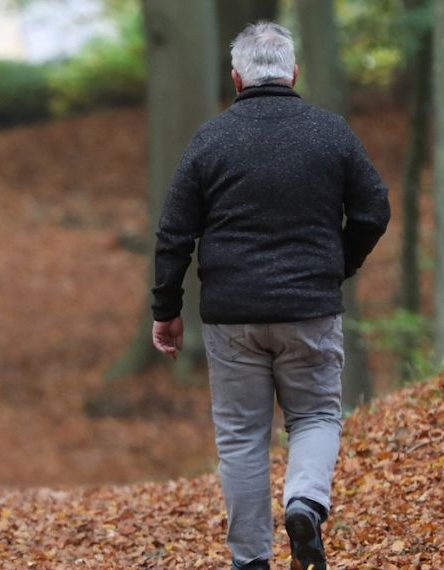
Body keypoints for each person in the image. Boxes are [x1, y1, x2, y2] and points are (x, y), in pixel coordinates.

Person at [150, 22, 389, 570]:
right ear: (294, 73)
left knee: (240, 438)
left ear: (236, 79)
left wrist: (166, 310)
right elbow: (375, 209)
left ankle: (251, 560)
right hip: (310, 309)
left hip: (232, 317)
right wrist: (338, 266)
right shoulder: (330, 133)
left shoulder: (210, 140)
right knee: (316, 418)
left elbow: (173, 233)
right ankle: (304, 501)